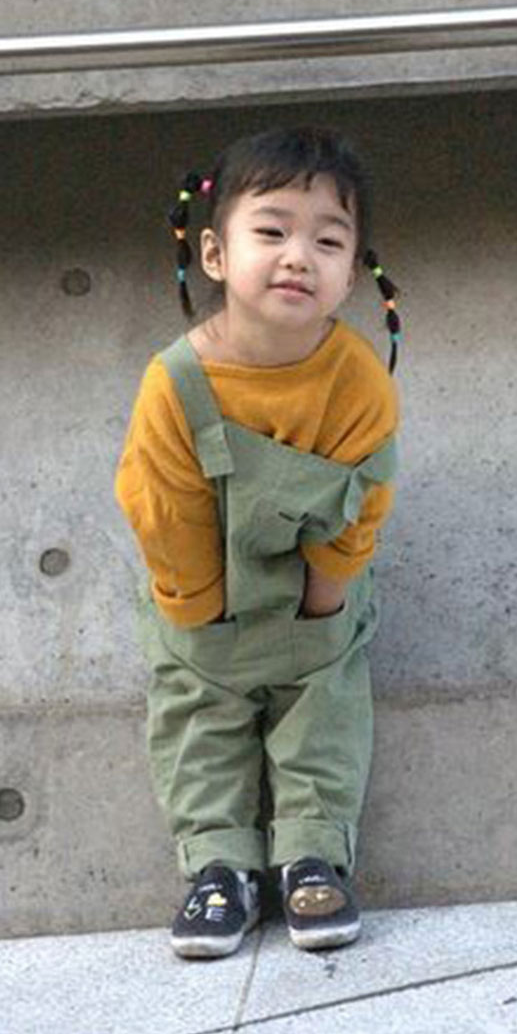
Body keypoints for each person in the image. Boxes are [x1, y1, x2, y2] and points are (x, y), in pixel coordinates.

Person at [114, 125, 401, 959]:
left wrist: (319, 619)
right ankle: (218, 867)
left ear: (352, 271)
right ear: (214, 253)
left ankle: (312, 854)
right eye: (271, 230)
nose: (297, 256)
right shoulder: (175, 382)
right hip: (201, 608)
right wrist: (206, 629)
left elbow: (359, 509)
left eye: (328, 239)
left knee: (326, 713)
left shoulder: (360, 385)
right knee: (199, 719)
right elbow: (163, 512)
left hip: (316, 597)